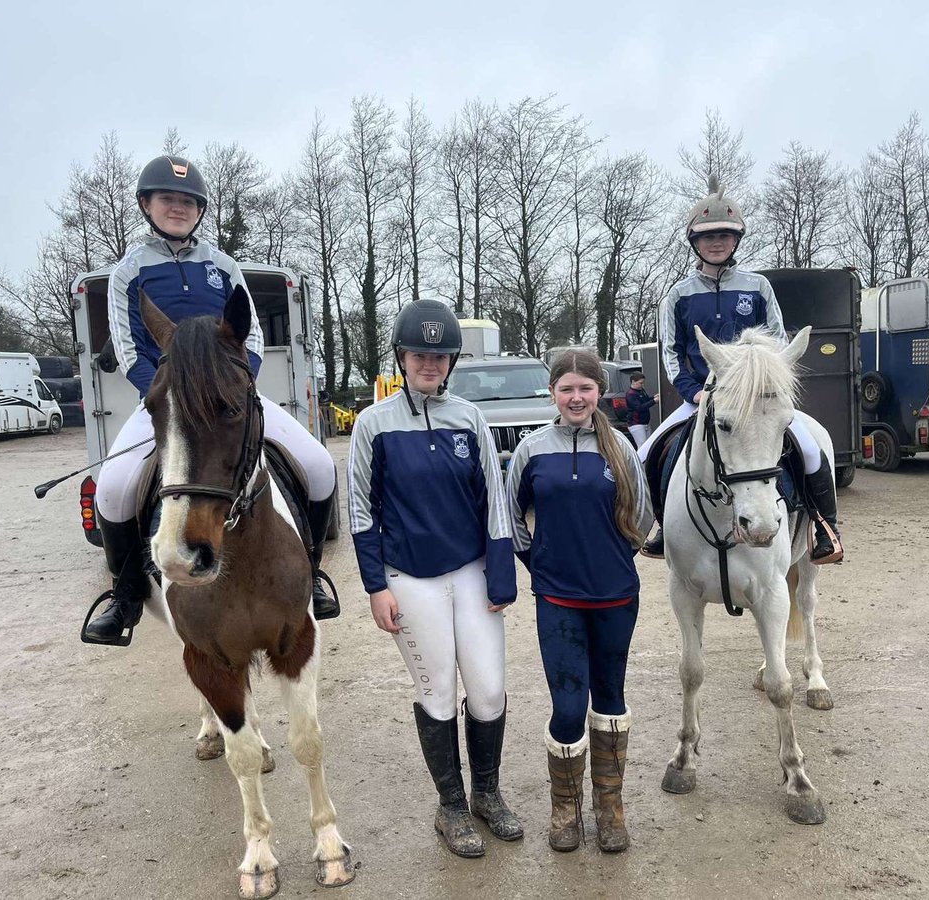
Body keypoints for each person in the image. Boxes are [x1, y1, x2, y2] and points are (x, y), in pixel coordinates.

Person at [84, 155, 341, 646]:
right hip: (167, 399)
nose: (177, 208)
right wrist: (174, 395)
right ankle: (125, 596)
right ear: (147, 205)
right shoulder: (128, 272)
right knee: (113, 487)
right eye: (167, 199)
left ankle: (313, 571)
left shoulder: (223, 266)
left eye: (187, 201)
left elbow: (255, 338)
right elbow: (129, 346)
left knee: (319, 463)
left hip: (232, 396)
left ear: (199, 209)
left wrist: (236, 389)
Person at [347, 298, 522, 858]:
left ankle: (487, 794)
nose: (430, 363)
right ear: (402, 358)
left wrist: (500, 577)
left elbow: (494, 499)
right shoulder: (374, 425)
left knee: (489, 690)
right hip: (410, 578)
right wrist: (375, 585)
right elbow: (360, 510)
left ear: (451, 362)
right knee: (438, 693)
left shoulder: (469, 418)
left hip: (471, 571)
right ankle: (450, 804)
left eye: (440, 355)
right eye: (420, 354)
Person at [637, 176, 843, 565]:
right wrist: (691, 391)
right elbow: (672, 351)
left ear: (737, 241)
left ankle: (824, 526)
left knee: (811, 448)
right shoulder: (678, 294)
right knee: (648, 452)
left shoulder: (758, 287)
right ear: (694, 242)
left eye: (725, 236)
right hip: (704, 396)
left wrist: (768, 386)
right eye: (708, 236)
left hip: (757, 398)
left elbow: (779, 344)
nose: (717, 242)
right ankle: (663, 524)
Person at [506, 350, 653, 853]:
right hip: (558, 600)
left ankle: (609, 809)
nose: (576, 397)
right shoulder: (531, 450)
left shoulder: (622, 450)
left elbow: (644, 515)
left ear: (599, 392)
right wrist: (541, 566)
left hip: (615, 598)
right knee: (568, 707)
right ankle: (565, 809)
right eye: (566, 388)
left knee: (610, 698)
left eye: (585, 389)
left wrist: (611, 559)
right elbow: (510, 517)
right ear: (552, 393)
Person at [624, 371, 656, 448]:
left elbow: (646, 400)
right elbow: (639, 407)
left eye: (643, 383)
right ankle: (640, 460)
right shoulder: (630, 394)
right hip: (636, 424)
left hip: (645, 423)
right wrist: (654, 401)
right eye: (640, 383)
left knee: (648, 445)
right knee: (642, 446)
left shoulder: (641, 391)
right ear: (633, 382)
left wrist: (654, 397)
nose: (642, 385)